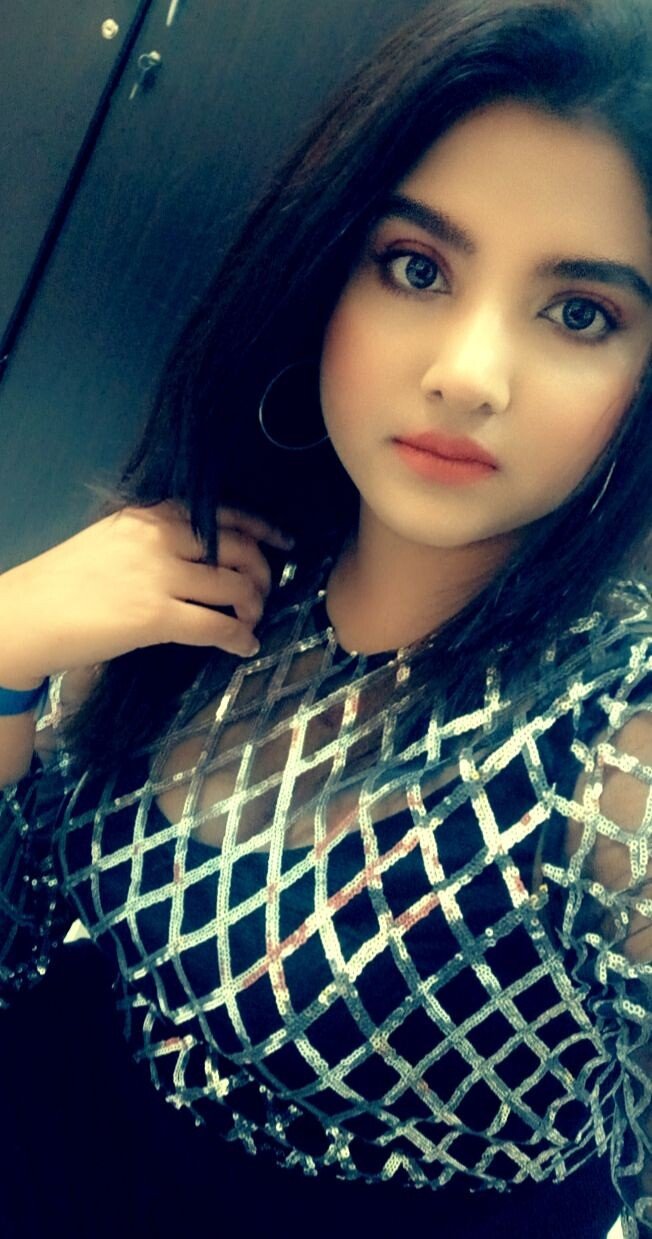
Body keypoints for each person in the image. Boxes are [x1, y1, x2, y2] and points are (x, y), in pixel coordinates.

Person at [0, 0, 650, 1235]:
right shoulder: (209, 572)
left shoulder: (616, 739)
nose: (466, 373)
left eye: (580, 312)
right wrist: (10, 644)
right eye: (417, 268)